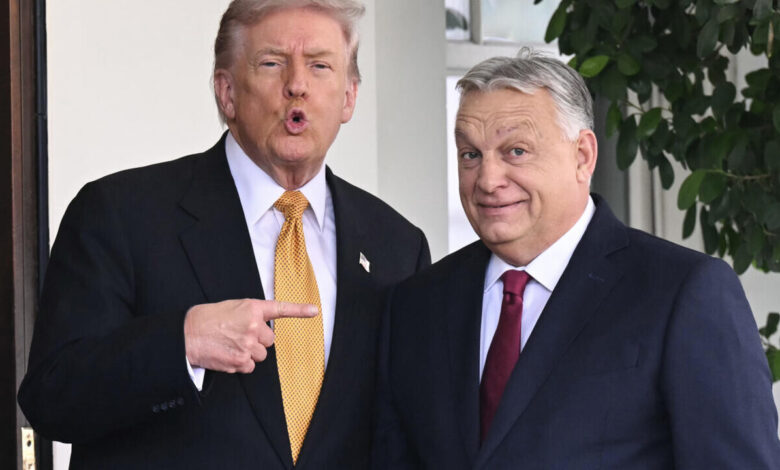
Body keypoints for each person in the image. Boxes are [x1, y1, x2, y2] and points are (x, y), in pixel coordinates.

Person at [18, 1, 429, 468]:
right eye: (272, 63)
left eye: (320, 66)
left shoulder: (398, 247)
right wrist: (183, 343)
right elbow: (52, 397)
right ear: (226, 92)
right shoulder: (119, 213)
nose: (297, 84)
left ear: (350, 96)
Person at [373, 50, 780, 469]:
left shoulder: (684, 291)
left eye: (516, 151)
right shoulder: (416, 305)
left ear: (583, 156)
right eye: (471, 154)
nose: (488, 180)